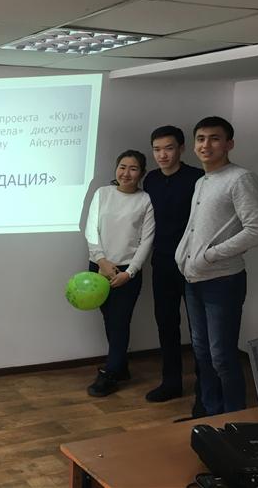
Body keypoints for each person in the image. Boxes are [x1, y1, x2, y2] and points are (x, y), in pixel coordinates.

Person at [176, 116, 258, 416]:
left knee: (222, 357)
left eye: (214, 138)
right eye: (201, 139)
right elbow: (195, 228)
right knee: (202, 352)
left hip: (223, 281)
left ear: (229, 144)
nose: (206, 145)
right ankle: (209, 413)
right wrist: (183, 255)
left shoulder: (240, 178)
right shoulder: (202, 181)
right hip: (194, 279)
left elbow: (257, 230)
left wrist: (210, 255)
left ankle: (233, 419)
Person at [143, 126, 205, 415]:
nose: (162, 155)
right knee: (166, 323)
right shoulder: (151, 180)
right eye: (157, 150)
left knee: (198, 329)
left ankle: (205, 388)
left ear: (181, 148)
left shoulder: (197, 178)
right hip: (162, 262)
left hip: (192, 264)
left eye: (168, 148)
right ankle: (171, 382)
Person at [84, 150, 155, 397]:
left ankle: (110, 373)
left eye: (133, 168)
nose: (126, 173)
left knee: (119, 322)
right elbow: (91, 229)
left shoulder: (145, 200)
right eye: (122, 167)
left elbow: (147, 241)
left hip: (127, 273)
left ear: (141, 173)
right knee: (109, 319)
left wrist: (130, 272)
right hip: (99, 267)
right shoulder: (102, 193)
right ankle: (121, 366)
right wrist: (101, 260)